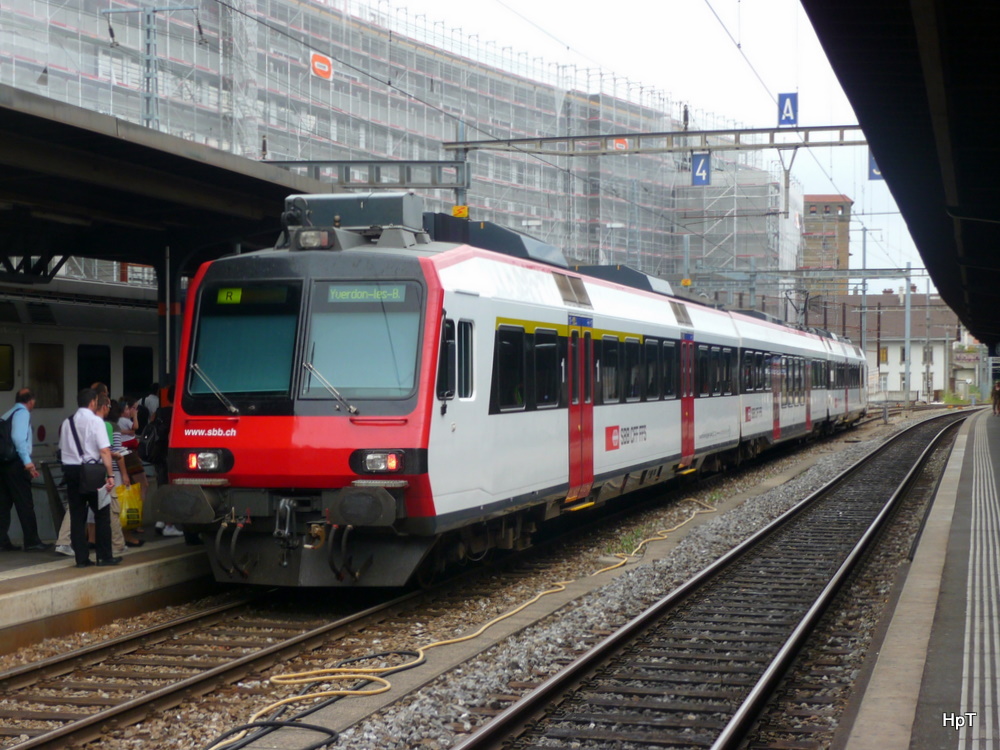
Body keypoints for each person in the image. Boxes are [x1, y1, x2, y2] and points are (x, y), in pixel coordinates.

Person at [58, 388, 120, 568]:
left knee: (77, 516)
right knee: (101, 514)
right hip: (92, 473)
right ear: (93, 402)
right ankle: (104, 556)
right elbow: (104, 450)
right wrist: (110, 474)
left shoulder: (67, 422)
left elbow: (62, 448)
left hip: (70, 472)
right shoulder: (96, 421)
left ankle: (82, 559)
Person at [0, 389, 49, 551]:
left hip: (4, 464)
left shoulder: (8, 413)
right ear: (31, 401)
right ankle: (32, 541)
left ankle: (2, 540)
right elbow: (18, 438)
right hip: (16, 464)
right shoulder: (22, 413)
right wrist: (27, 462)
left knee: (3, 503)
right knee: (25, 502)